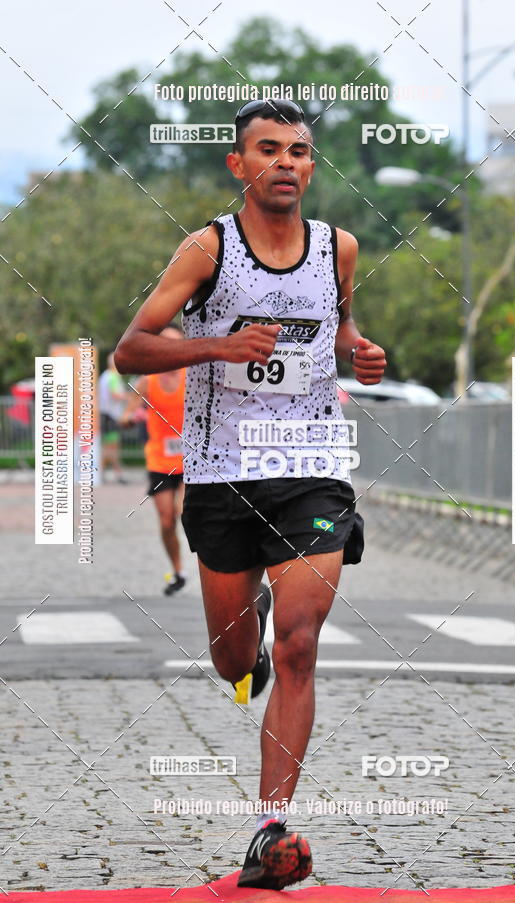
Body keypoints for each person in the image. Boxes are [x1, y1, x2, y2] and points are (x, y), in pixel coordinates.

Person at [115, 98, 386, 890]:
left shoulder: (338, 247)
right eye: (267, 150)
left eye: (297, 151)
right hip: (221, 472)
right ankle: (248, 632)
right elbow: (131, 348)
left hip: (311, 464)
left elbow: (340, 326)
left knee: (300, 642)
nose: (284, 163)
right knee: (235, 659)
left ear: (312, 166)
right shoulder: (209, 248)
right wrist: (218, 346)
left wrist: (359, 351)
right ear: (239, 164)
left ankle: (271, 829)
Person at [121, 326, 187, 595]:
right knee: (167, 521)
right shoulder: (147, 381)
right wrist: (131, 418)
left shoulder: (193, 375)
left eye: (176, 343)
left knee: (184, 511)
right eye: (165, 343)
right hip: (160, 460)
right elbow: (125, 416)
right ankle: (178, 571)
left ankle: (211, 566)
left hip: (192, 459)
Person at [98, 352, 129, 482]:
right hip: (111, 415)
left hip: (106, 414)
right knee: (112, 447)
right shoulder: (112, 376)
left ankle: (102, 473)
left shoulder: (105, 376)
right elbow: (115, 394)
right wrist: (130, 397)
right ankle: (116, 474)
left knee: (109, 446)